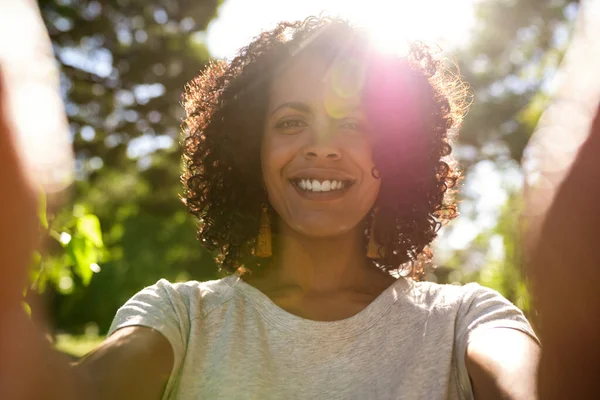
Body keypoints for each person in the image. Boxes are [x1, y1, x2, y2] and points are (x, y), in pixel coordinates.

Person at [1, 16, 551, 400]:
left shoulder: (463, 320)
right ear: (250, 153)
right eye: (291, 122)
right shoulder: (181, 318)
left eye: (354, 124)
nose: (322, 146)